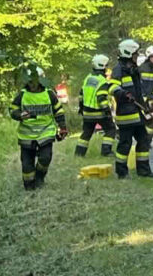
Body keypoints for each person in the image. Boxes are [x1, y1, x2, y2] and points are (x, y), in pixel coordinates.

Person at [10, 62, 67, 190]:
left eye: (35, 82)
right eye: (30, 82)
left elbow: (58, 111)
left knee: (45, 158)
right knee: (26, 164)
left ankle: (40, 177)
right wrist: (19, 115)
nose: (33, 85)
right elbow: (12, 110)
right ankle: (29, 185)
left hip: (46, 132)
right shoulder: (22, 95)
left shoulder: (49, 94)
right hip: (26, 134)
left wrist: (62, 127)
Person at [112, 38, 153, 179]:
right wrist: (123, 94)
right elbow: (112, 88)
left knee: (144, 141)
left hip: (137, 114)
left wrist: (145, 107)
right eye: (135, 54)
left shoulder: (134, 70)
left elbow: (138, 92)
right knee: (124, 145)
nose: (137, 57)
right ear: (128, 53)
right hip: (126, 115)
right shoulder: (118, 69)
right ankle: (121, 173)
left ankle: (144, 171)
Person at [76, 54, 118, 158]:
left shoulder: (88, 78)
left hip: (87, 112)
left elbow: (81, 95)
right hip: (99, 113)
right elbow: (101, 98)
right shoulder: (102, 81)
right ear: (103, 66)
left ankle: (79, 154)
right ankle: (106, 152)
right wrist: (107, 112)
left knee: (86, 134)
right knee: (110, 129)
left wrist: (81, 108)